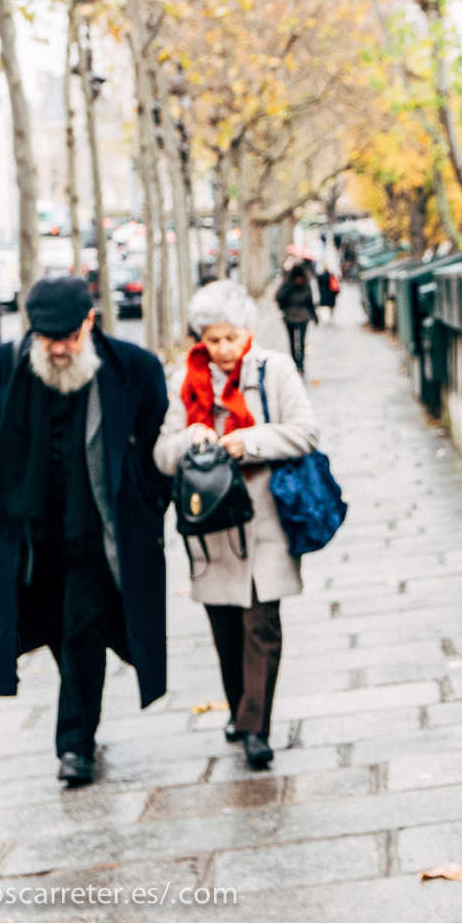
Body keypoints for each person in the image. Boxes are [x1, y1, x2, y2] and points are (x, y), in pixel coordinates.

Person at [0, 277, 171, 786]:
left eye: (67, 337)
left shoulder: (134, 368)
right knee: (57, 631)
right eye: (46, 338)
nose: (58, 349)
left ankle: (74, 746)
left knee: (82, 626)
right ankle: (82, 724)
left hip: (100, 537)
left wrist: (146, 508)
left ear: (90, 320)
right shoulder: (0, 369)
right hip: (31, 540)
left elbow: (154, 449)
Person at [154, 280, 320, 770]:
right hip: (211, 528)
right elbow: (162, 454)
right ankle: (240, 708)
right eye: (213, 340)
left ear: (247, 332)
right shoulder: (181, 382)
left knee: (261, 624)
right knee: (226, 627)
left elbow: (306, 431)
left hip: (265, 519)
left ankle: (255, 727)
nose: (224, 350)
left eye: (232, 338)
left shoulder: (275, 369)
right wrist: (191, 439)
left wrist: (248, 442)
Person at [275, 261, 318, 373]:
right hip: (290, 317)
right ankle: (295, 362)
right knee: (293, 342)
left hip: (302, 317)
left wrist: (315, 317)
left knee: (301, 342)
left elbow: (310, 303)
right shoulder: (288, 286)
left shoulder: (305, 286)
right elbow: (279, 297)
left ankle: (300, 363)